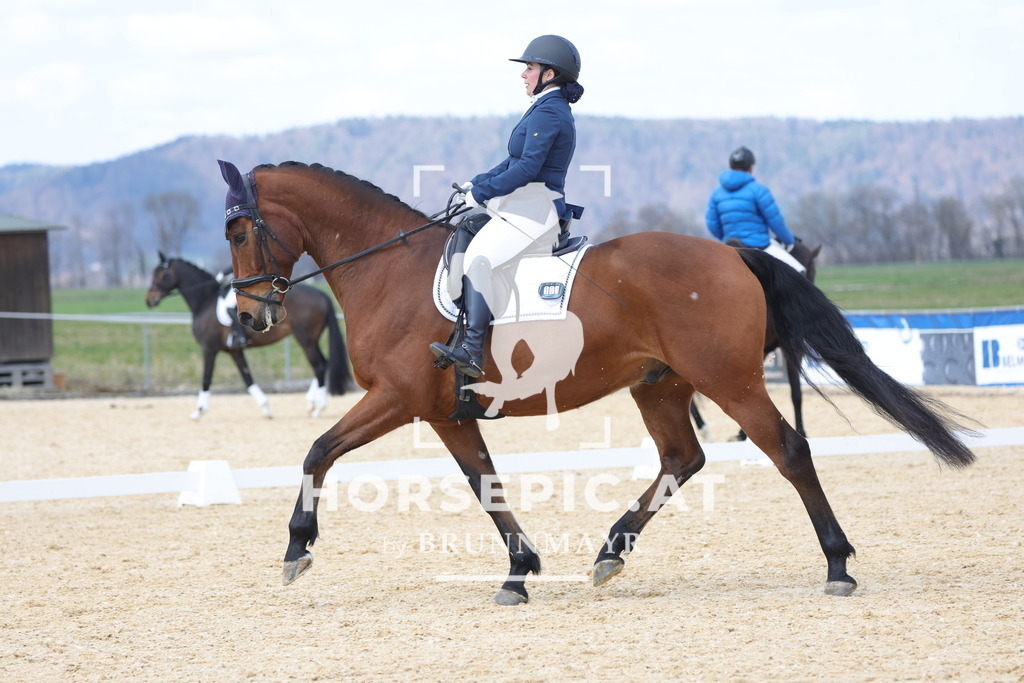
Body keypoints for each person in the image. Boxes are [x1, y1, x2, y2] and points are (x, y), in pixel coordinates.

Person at [430, 35, 585, 378]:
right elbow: (512, 160)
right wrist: (477, 183)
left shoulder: (551, 112)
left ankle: (472, 350)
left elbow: (528, 169)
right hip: (520, 206)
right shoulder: (544, 107)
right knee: (466, 229)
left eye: (529, 67)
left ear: (549, 74)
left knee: (478, 260)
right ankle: (463, 325)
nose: (523, 74)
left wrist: (482, 195)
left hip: (535, 210)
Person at [705, 146, 805, 273]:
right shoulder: (759, 190)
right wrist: (789, 241)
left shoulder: (716, 194)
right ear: (751, 168)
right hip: (759, 247)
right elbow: (776, 222)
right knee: (799, 271)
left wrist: (727, 237)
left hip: (730, 247)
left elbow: (712, 224)